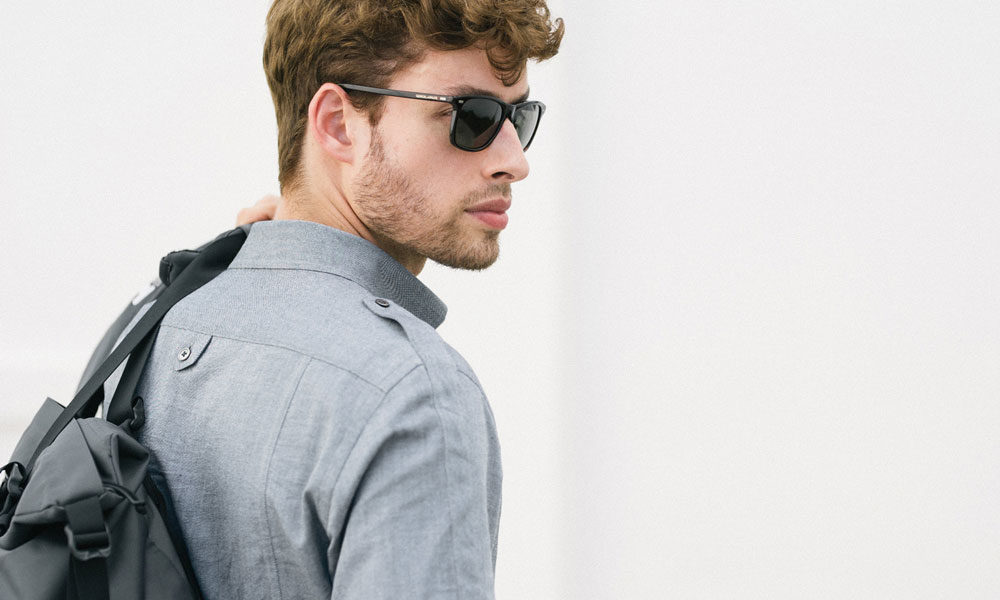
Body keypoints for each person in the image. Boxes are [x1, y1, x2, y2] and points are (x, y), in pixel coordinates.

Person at [84, 1, 563, 598]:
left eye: (521, 116)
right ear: (338, 124)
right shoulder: (413, 394)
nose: (514, 161)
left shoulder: (154, 317)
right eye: (475, 117)